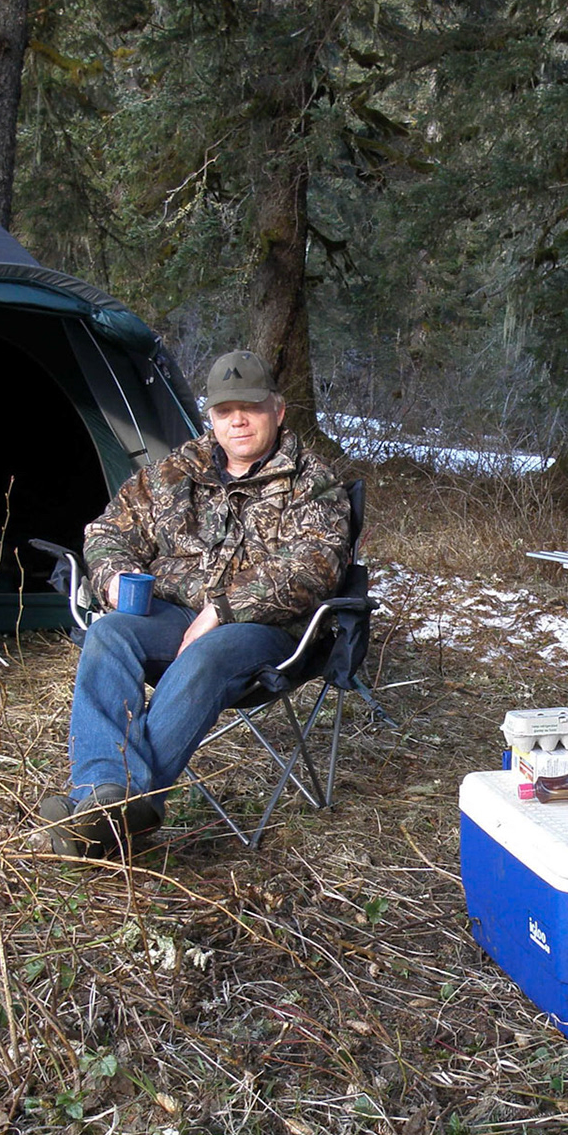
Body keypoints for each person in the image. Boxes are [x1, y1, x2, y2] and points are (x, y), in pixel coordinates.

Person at [31, 349, 352, 856]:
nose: (238, 420)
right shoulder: (175, 472)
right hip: (174, 611)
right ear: (212, 417)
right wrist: (114, 579)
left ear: (278, 409)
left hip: (264, 630)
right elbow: (108, 530)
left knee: (210, 650)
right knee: (109, 632)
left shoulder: (314, 482)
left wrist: (222, 609)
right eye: (225, 411)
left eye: (250, 407)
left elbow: (315, 569)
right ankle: (104, 796)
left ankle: (110, 815)